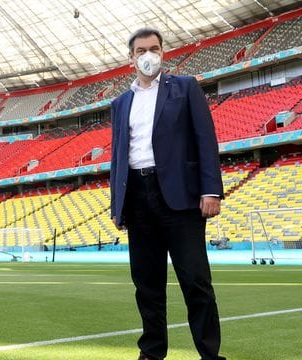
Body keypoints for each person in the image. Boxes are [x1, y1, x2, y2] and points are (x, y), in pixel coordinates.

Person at [110, 27, 225, 360]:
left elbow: (205, 139)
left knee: (196, 282)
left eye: (155, 49)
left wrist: (211, 190)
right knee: (147, 285)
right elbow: (119, 155)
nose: (149, 55)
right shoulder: (120, 103)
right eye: (141, 50)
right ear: (130, 57)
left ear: (163, 52)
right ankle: (151, 352)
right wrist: (117, 205)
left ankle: (210, 354)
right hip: (137, 196)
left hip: (180, 198)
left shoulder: (185, 88)